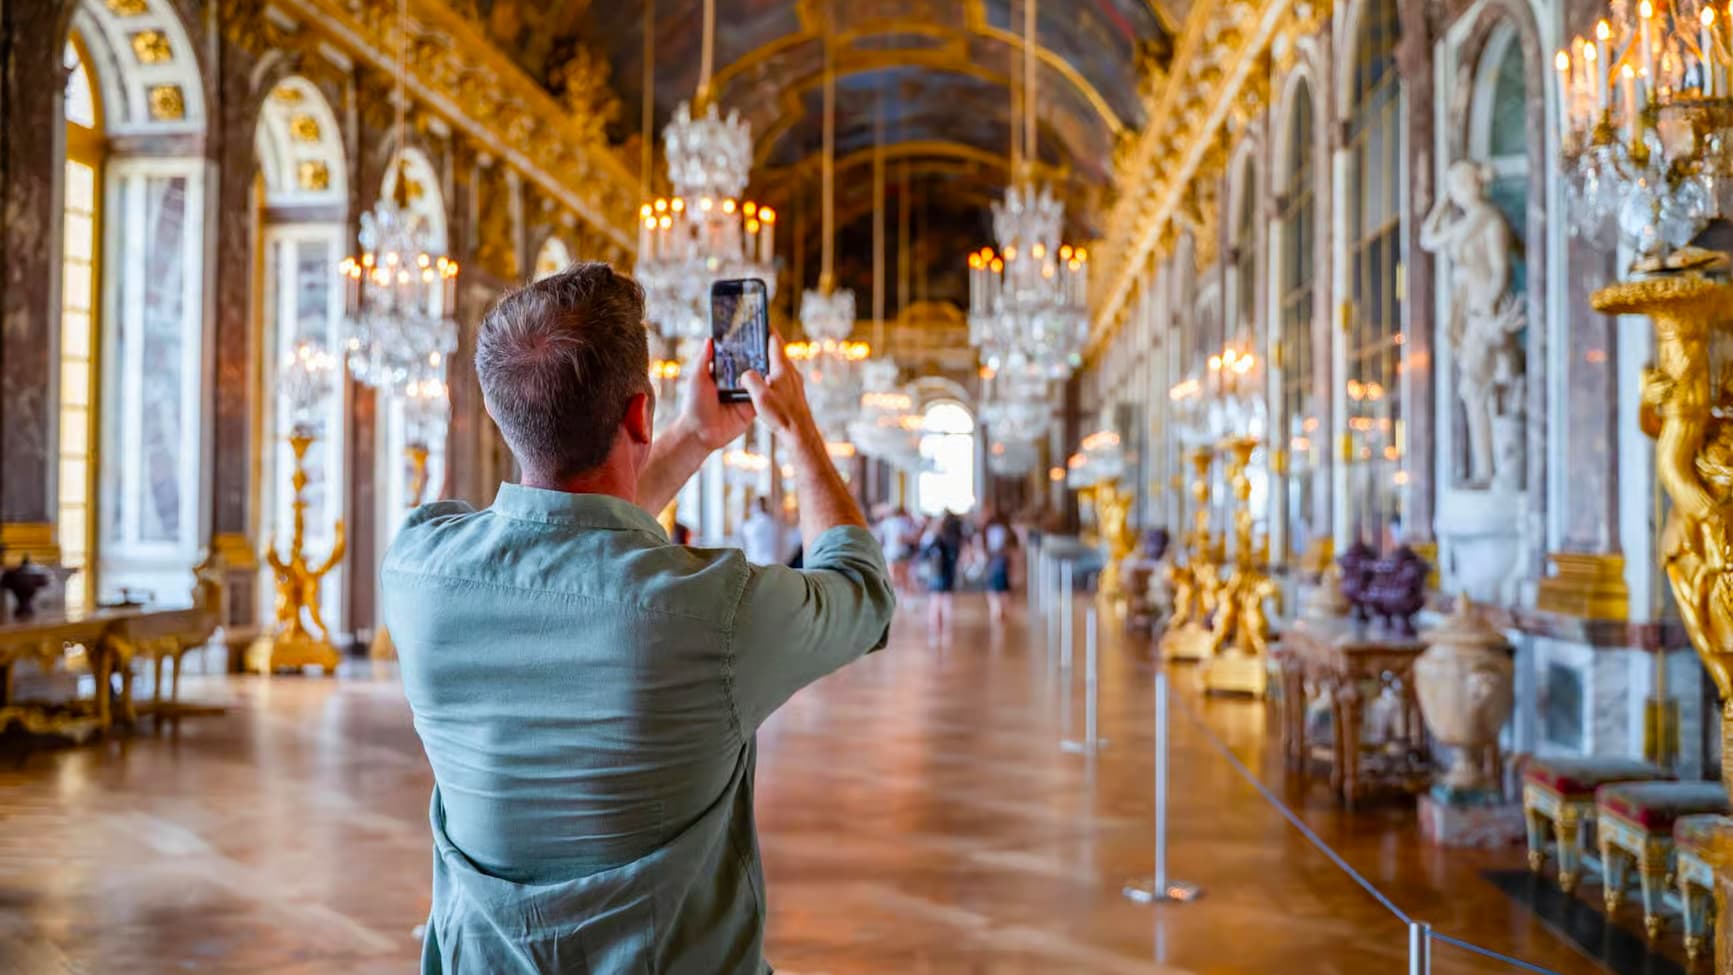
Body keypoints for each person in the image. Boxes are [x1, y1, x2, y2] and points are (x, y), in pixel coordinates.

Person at [381, 263, 895, 975]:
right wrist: (797, 425)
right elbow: (861, 591)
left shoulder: (416, 571)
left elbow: (569, 548)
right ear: (637, 415)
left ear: (499, 414)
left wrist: (692, 434)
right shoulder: (716, 612)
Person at [924, 511, 964, 634]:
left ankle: (937, 628)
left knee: (936, 599)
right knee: (945, 599)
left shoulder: (934, 538)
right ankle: (945, 628)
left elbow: (924, 554)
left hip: (937, 572)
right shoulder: (954, 539)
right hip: (946, 572)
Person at [980, 510, 1017, 622]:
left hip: (996, 559)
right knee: (1001, 586)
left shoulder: (989, 530)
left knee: (995, 586)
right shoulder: (1004, 530)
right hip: (999, 559)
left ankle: (997, 609)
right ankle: (1000, 609)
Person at [876, 506, 916, 594]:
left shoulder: (885, 523)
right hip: (901, 552)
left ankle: (892, 597)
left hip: (888, 553)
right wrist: (913, 539)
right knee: (903, 577)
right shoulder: (902, 522)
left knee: (891, 576)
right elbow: (901, 539)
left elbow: (880, 540)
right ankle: (905, 599)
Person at [740, 496, 781, 565]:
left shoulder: (765, 521)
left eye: (755, 505)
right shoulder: (757, 520)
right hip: (755, 557)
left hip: (763, 559)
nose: (752, 507)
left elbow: (749, 531)